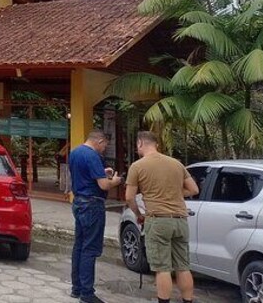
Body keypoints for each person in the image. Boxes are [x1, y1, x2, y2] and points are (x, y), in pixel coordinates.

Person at [125, 131, 200, 303]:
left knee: (162, 268)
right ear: (157, 144)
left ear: (139, 144)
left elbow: (129, 197)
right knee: (183, 266)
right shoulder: (176, 164)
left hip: (158, 220)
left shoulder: (137, 166)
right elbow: (194, 189)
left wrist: (138, 214)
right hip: (180, 220)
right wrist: (174, 193)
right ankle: (187, 300)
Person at [69, 129, 123, 303]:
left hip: (79, 202)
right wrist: (114, 181)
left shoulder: (75, 152)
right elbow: (104, 185)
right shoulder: (92, 156)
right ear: (99, 141)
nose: (105, 148)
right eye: (105, 144)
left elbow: (88, 175)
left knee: (79, 245)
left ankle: (76, 288)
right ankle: (87, 292)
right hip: (92, 204)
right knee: (90, 248)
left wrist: (102, 172)